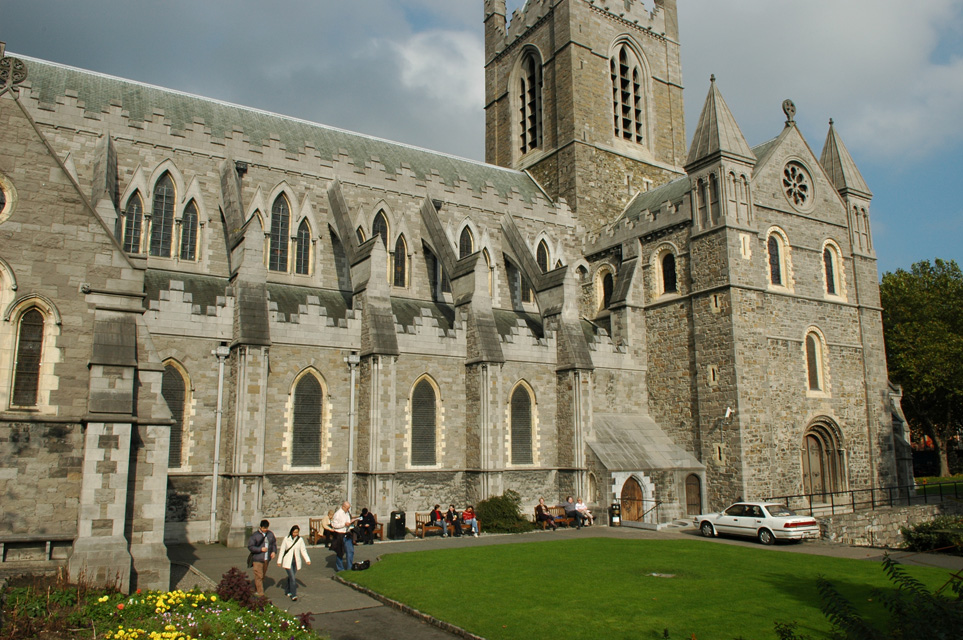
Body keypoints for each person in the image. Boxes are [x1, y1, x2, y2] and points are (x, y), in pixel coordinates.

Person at [276, 525, 311, 601]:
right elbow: (282, 550)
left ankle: (287, 590)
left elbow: (303, 550)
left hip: (295, 562)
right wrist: (279, 561)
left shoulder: (300, 540)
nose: (295, 534)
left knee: (291, 576)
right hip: (287, 561)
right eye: (294, 532)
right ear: (291, 532)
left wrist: (307, 559)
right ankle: (294, 594)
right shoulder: (286, 539)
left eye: (297, 532)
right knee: (292, 578)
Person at [247, 519, 277, 596]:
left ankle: (256, 588)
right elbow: (250, 547)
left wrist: (273, 552)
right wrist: (260, 549)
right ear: (260, 527)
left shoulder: (270, 534)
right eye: (263, 528)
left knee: (262, 575)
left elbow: (273, 544)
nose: (265, 530)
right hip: (257, 558)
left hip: (266, 559)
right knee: (259, 575)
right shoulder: (255, 536)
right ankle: (261, 594)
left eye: (266, 528)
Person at [331, 501, 359, 571]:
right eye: (347, 508)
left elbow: (348, 522)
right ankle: (340, 569)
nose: (348, 510)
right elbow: (334, 525)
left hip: (347, 534)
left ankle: (349, 568)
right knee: (340, 552)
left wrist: (350, 522)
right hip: (339, 534)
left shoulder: (347, 513)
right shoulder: (337, 514)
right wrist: (344, 524)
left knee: (350, 551)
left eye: (349, 508)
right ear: (343, 506)